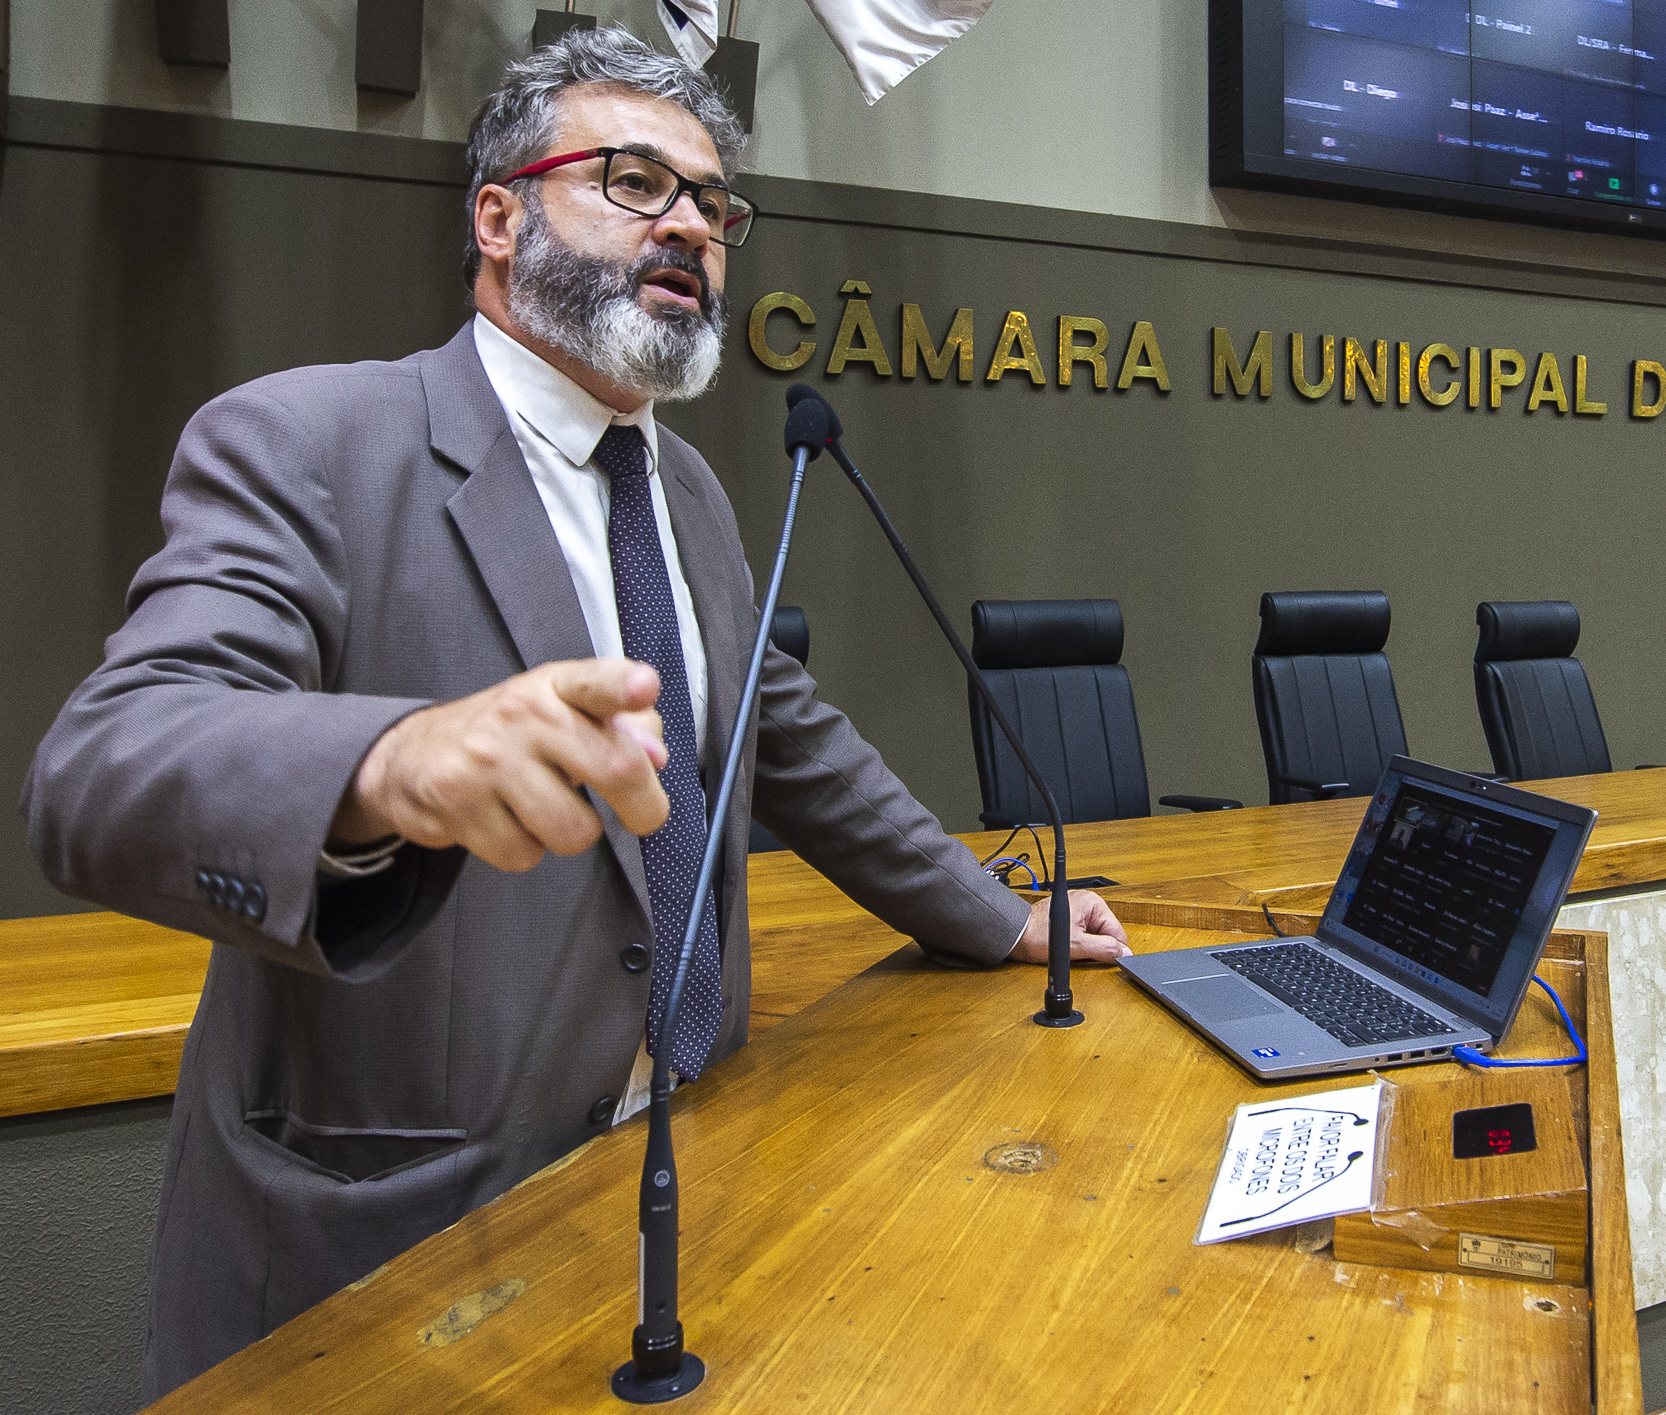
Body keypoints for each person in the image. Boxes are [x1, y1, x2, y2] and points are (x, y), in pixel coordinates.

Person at [20, 30, 1127, 1400]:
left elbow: (786, 741)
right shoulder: (304, 442)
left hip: (672, 1196)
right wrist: (381, 762)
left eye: (712, 204)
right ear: (495, 216)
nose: (689, 226)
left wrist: (996, 913)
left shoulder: (691, 497)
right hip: (399, 1244)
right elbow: (102, 762)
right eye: (630, 180)